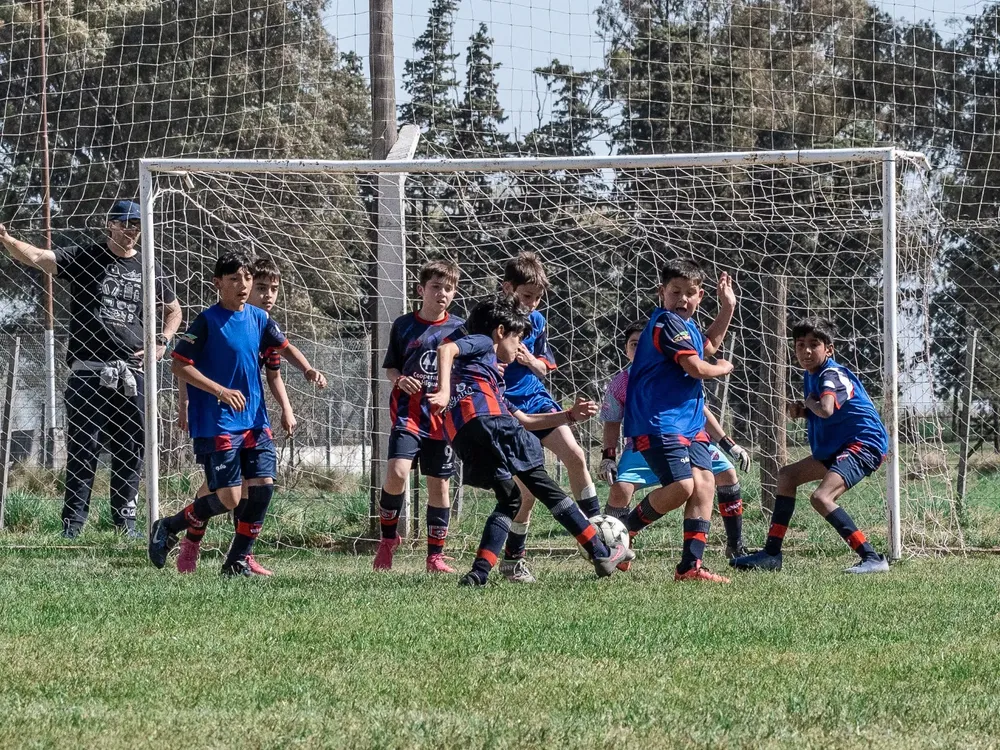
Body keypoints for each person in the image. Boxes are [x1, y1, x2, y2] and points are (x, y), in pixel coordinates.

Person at [0, 200, 182, 538]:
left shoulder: (149, 267)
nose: (132, 229)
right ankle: (73, 525)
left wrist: (161, 342)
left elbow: (174, 310)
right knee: (84, 448)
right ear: (109, 224)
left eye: (137, 223)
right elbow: (41, 258)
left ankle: (125, 523)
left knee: (131, 448)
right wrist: (9, 241)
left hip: (133, 373)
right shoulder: (87, 257)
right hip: (88, 372)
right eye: (125, 222)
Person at [428, 295, 633, 587]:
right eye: (517, 339)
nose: (519, 346)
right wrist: (444, 390)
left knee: (510, 498)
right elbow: (446, 348)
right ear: (500, 332)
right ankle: (600, 551)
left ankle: (479, 573)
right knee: (543, 485)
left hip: (463, 437)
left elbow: (524, 420)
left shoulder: (489, 380)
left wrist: (569, 416)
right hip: (488, 419)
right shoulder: (484, 343)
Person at [174, 256, 327, 575]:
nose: (267, 294)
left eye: (274, 288)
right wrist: (184, 404)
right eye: (260, 287)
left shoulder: (263, 326)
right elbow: (185, 366)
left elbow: (274, 373)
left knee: (255, 485)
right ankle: (190, 541)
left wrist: (288, 405)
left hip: (250, 420)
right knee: (222, 490)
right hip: (218, 417)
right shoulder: (216, 322)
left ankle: (241, 554)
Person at [149, 251, 287, 576]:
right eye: (234, 279)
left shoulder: (258, 318)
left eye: (247, 278)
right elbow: (178, 364)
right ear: (218, 284)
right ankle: (169, 527)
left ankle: (237, 561)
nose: (243, 285)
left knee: (264, 486)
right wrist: (219, 392)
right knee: (228, 498)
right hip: (219, 421)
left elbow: (283, 351)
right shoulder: (206, 321)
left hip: (254, 421)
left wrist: (308, 369)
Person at [731, 317, 891, 574]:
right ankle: (771, 555)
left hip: (864, 443)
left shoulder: (830, 374)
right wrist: (805, 412)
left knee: (821, 497)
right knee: (787, 476)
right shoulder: (812, 374)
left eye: (814, 344)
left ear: (829, 349)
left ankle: (872, 557)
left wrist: (808, 403)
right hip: (840, 446)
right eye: (800, 344)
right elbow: (832, 411)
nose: (805, 350)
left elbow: (826, 409)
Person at [621, 259, 736, 583]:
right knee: (682, 486)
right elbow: (697, 367)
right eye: (675, 292)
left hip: (689, 423)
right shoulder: (666, 323)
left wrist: (728, 307)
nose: (683, 299)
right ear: (662, 293)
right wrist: (723, 368)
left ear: (700, 296)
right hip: (658, 421)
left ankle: (690, 567)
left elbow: (708, 345)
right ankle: (624, 530)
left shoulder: (686, 327)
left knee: (704, 484)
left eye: (690, 293)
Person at [600, 320, 751, 558]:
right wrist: (607, 456)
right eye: (633, 344)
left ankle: (736, 546)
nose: (639, 350)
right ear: (625, 350)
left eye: (645, 344)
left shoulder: (676, 371)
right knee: (620, 488)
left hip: (691, 440)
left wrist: (727, 443)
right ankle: (616, 548)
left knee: (727, 472)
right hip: (642, 446)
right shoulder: (621, 383)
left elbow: (701, 409)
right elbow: (612, 420)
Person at [496, 252, 601, 584]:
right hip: (507, 407)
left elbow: (544, 368)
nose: (532, 303)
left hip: (537, 398)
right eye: (527, 296)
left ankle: (599, 530)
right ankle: (513, 561)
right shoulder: (490, 322)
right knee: (526, 493)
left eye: (538, 297)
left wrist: (529, 361)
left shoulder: (537, 321)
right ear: (506, 288)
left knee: (576, 455)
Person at [373, 260, 465, 574]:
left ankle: (434, 557)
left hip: (443, 420)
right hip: (408, 417)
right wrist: (399, 380)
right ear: (421, 290)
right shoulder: (403, 325)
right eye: (436, 287)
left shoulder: (460, 328)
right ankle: (388, 540)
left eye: (448, 288)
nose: (442, 293)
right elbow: (390, 368)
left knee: (438, 486)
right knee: (397, 473)